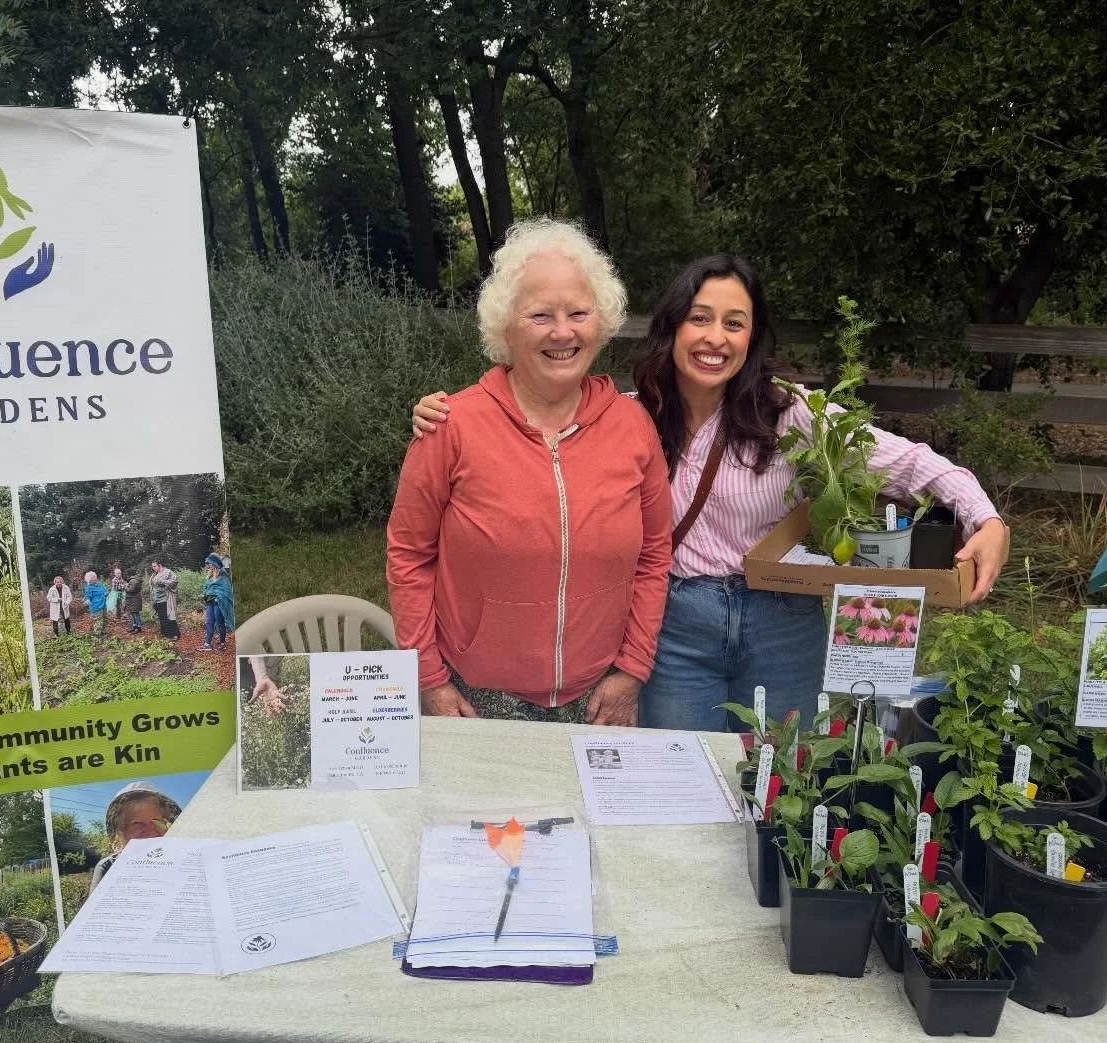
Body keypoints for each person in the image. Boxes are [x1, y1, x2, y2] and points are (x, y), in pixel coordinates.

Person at [411, 253, 1008, 730]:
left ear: (752, 337)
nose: (714, 338)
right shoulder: (625, 420)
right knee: (681, 784)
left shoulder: (788, 415)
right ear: (671, 328)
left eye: (734, 322)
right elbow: (540, 434)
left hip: (780, 619)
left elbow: (906, 462)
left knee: (786, 783)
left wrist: (984, 518)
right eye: (699, 318)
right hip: (677, 625)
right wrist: (448, 414)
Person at [387, 218, 672, 726]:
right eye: (540, 315)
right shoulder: (451, 427)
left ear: (599, 322)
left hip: (601, 695)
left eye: (578, 313)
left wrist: (632, 669)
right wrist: (429, 678)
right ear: (507, 327)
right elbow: (408, 556)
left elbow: (653, 555)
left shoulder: (633, 427)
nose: (562, 332)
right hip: (477, 697)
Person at [89, 781, 182, 892]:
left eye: (156, 821)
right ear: (121, 831)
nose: (149, 831)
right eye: (136, 823)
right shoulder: (108, 867)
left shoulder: (181, 861)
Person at [200, 553, 234, 652]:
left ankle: (222, 643)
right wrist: (206, 595)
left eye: (210, 563)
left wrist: (217, 597)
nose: (209, 566)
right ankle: (207, 644)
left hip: (219, 603)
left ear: (215, 563)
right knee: (209, 622)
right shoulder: (210, 576)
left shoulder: (223, 575)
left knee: (220, 623)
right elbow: (206, 588)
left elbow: (226, 591)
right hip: (210, 603)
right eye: (208, 564)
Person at [149, 560, 181, 640]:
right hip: (157, 598)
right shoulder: (155, 574)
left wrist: (163, 581)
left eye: (154, 566)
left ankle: (174, 634)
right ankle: (166, 633)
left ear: (159, 565)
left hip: (165, 598)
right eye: (152, 566)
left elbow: (175, 581)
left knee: (169, 616)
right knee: (162, 617)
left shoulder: (168, 572)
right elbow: (153, 586)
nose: (153, 568)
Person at [83, 570, 108, 638]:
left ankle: (104, 632)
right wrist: (87, 600)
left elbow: (105, 590)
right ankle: (97, 635)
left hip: (103, 604)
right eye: (93, 578)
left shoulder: (99, 585)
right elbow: (87, 596)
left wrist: (106, 593)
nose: (95, 579)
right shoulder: (89, 588)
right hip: (96, 606)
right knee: (98, 620)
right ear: (89, 580)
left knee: (105, 618)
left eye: (95, 577)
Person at [123, 566, 145, 633]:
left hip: (134, 599)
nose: (126, 575)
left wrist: (125, 587)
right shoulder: (135, 579)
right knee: (134, 613)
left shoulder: (133, 580)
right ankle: (135, 626)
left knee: (135, 614)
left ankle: (138, 628)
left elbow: (132, 590)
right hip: (134, 598)